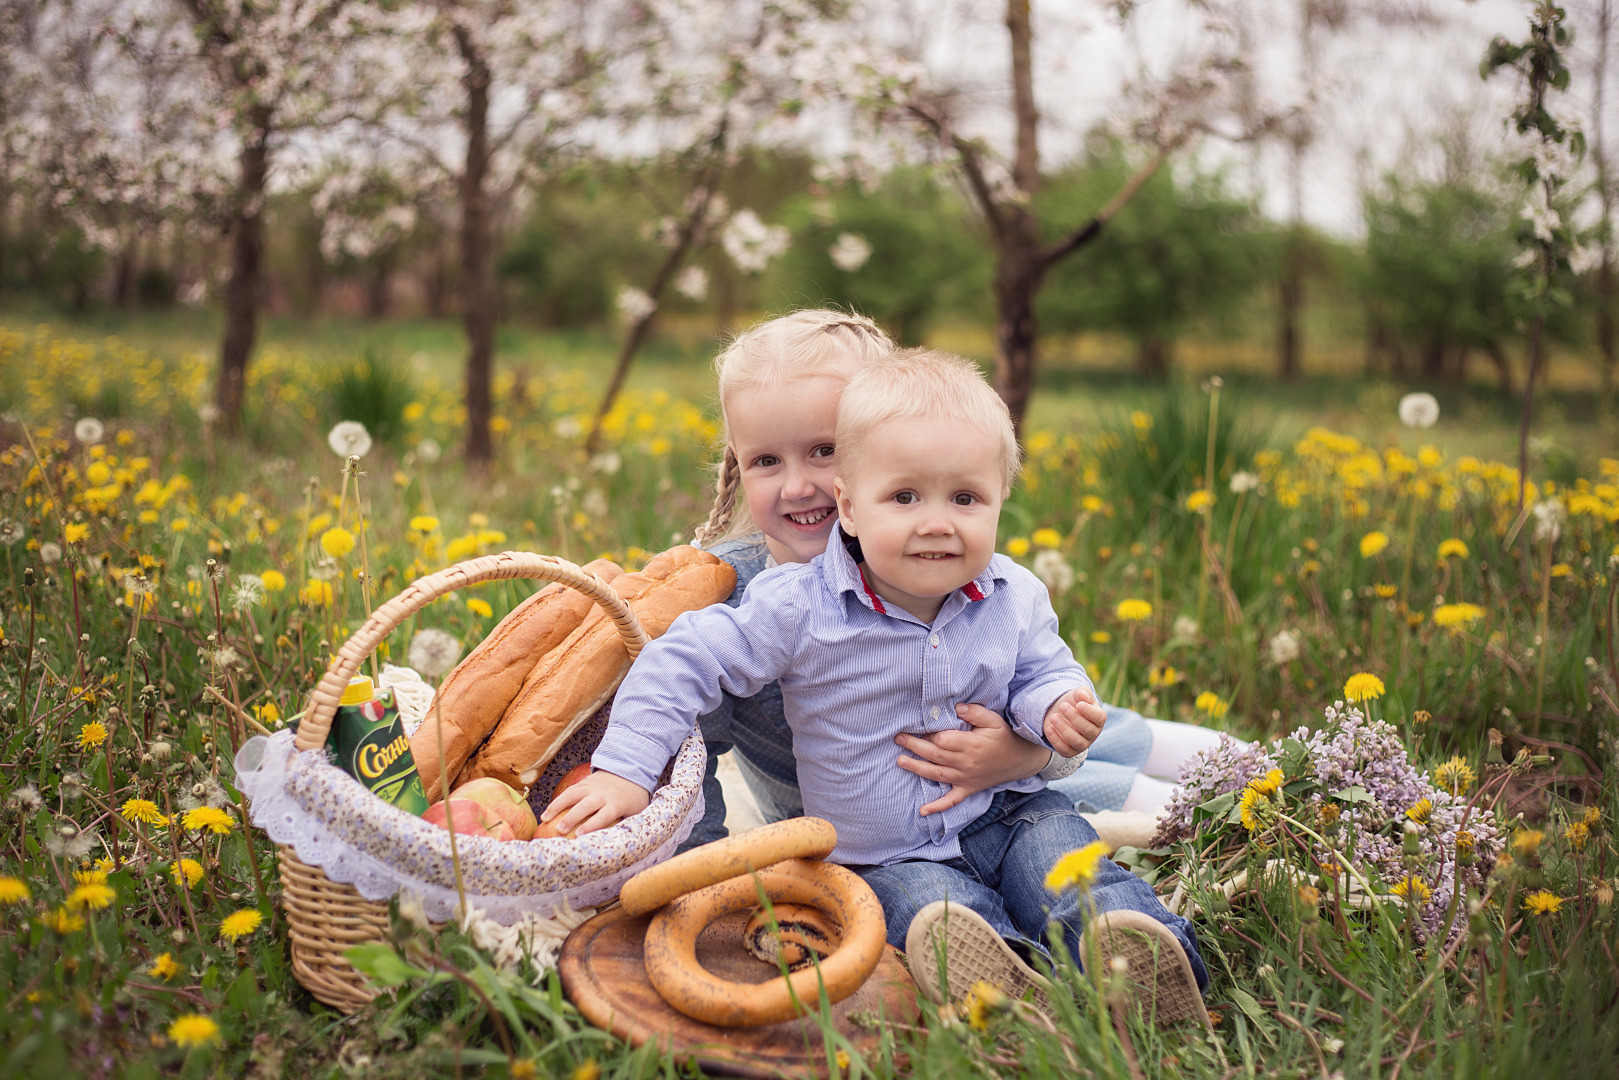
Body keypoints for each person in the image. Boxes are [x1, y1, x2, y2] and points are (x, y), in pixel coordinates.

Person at [547, 349, 1209, 1022]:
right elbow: (680, 659)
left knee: (1067, 867)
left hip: (1010, 811)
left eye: (965, 498)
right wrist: (625, 772)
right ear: (850, 508)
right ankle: (1003, 989)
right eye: (904, 497)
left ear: (1000, 500)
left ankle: (1136, 959)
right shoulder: (797, 605)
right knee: (931, 913)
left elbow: (1044, 670)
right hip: (882, 856)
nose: (935, 521)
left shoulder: (1015, 594)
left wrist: (1053, 709)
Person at [675, 309, 1082, 851]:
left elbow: (1047, 688)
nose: (797, 487)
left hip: (978, 796)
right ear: (738, 464)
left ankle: (1219, 764)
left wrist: (1026, 755)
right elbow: (687, 745)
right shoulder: (727, 592)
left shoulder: (934, 556)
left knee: (1108, 752)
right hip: (850, 834)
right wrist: (696, 873)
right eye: (766, 459)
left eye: (824, 450)